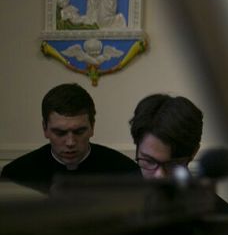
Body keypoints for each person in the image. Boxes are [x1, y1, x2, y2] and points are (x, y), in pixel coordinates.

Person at [1, 83, 138, 193]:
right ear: (45, 129)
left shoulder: (126, 172)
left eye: (79, 131)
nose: (70, 142)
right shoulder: (15, 176)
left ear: (92, 127)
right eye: (60, 133)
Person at [129, 93, 228, 215]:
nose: (159, 175)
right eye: (149, 161)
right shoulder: (113, 197)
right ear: (137, 148)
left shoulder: (219, 214)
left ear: (194, 152)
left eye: (172, 164)